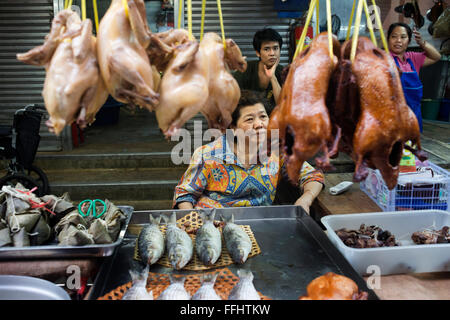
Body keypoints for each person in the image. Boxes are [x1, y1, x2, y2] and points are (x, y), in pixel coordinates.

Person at [173, 90, 324, 214]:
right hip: (213, 227)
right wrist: (194, 221)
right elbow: (184, 194)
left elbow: (312, 176)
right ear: (233, 127)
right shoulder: (207, 154)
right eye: (250, 120)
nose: (259, 125)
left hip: (260, 226)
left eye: (263, 117)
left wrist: (306, 199)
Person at [387, 22, 441, 132]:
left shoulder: (412, 57)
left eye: (403, 37)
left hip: (413, 117)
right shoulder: (384, 59)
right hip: (392, 117)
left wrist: (422, 43)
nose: (398, 41)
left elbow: (436, 56)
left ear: (409, 40)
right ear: (388, 39)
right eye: (394, 37)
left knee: (411, 146)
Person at [232, 28, 285, 114]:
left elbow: (283, 107)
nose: (272, 53)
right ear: (258, 53)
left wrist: (273, 77)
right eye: (267, 49)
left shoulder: (284, 73)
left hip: (275, 123)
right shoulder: (244, 71)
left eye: (275, 48)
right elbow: (233, 105)